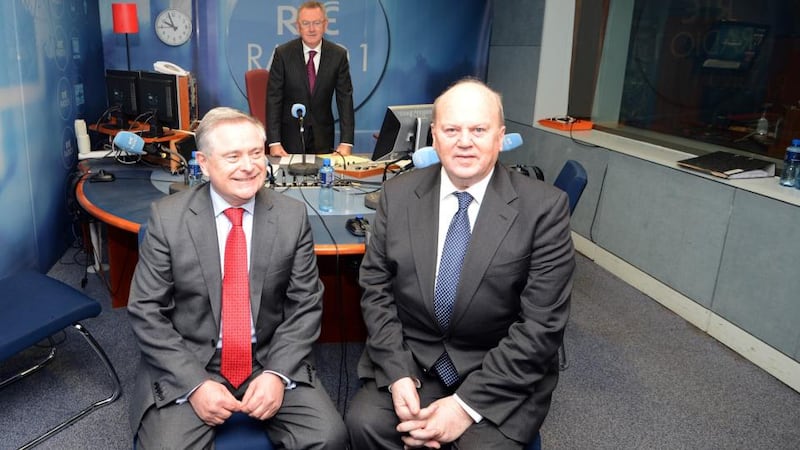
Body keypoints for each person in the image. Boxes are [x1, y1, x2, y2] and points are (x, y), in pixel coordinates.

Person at [345, 78, 575, 449]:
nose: (464, 142)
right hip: (415, 357)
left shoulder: (544, 209)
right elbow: (376, 290)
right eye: (452, 129)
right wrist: (397, 371)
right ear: (434, 137)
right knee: (365, 424)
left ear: (500, 137)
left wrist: (465, 407)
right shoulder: (398, 195)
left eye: (478, 130)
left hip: (497, 368)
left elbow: (541, 327)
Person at [128, 107, 347, 449]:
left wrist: (277, 374)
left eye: (256, 153)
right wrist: (195, 384)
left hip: (269, 358)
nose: (248, 166)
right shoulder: (168, 219)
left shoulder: (291, 217)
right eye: (233, 156)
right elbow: (145, 311)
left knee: (329, 437)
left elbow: (306, 305)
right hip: (193, 359)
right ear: (203, 161)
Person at [266, 1, 355, 157]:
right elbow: (274, 99)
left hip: (323, 139)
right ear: (298, 26)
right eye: (306, 23)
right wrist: (274, 142)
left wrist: (346, 142)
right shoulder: (283, 54)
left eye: (317, 23)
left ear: (325, 25)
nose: (312, 29)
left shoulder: (338, 55)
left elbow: (345, 100)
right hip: (289, 141)